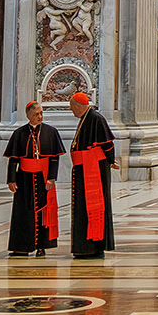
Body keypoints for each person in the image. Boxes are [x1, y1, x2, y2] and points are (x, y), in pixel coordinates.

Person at [4, 100, 64, 257]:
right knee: (24, 212)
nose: (40, 116)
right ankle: (21, 247)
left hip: (43, 177)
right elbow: (13, 159)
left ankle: (42, 246)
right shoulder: (19, 133)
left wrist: (51, 178)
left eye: (41, 113)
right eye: (36, 114)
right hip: (24, 178)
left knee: (43, 211)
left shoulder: (51, 132)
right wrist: (11, 179)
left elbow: (54, 159)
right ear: (29, 115)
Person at [68, 90, 118, 258]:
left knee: (94, 206)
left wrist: (111, 160)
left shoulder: (96, 118)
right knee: (82, 207)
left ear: (77, 106)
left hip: (94, 170)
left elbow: (108, 143)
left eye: (71, 107)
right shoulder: (85, 118)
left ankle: (93, 247)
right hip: (84, 169)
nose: (70, 111)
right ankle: (84, 247)